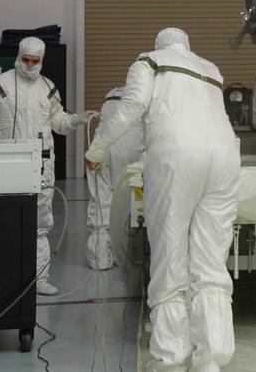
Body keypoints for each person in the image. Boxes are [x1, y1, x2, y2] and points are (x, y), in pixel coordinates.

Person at [86, 28, 240, 372]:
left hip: (178, 157)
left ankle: (170, 357)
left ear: (160, 45)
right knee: (211, 260)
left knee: (170, 252)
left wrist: (98, 148)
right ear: (186, 45)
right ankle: (212, 356)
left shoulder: (149, 61)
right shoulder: (210, 67)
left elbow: (131, 108)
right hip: (226, 157)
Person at [0, 36, 93, 295]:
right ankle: (6, 275)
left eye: (35, 61)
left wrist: (77, 120)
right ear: (18, 57)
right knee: (5, 220)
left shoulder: (48, 87)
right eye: (25, 60)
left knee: (40, 221)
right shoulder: (0, 85)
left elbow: (57, 121)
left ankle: (39, 277)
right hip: (8, 161)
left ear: (42, 60)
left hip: (41, 163)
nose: (29, 65)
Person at [85, 85, 146, 270]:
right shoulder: (144, 93)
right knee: (130, 200)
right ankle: (127, 256)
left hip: (99, 145)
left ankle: (100, 259)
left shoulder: (111, 92)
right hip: (131, 145)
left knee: (100, 199)